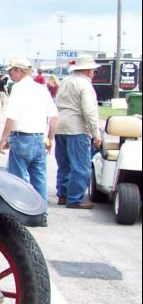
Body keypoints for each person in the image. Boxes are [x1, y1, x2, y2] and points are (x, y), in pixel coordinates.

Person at [0, 56, 59, 226]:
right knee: (39, 177)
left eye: (11, 71)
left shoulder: (18, 89)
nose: (10, 75)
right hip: (39, 138)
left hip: (22, 138)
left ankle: (21, 215)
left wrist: (4, 138)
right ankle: (42, 215)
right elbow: (54, 117)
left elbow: (12, 116)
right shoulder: (41, 89)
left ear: (19, 71)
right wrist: (50, 138)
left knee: (17, 180)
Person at [54, 54, 101, 210]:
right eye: (94, 71)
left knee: (64, 164)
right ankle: (75, 199)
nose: (94, 74)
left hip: (60, 125)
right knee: (80, 165)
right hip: (77, 127)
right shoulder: (85, 85)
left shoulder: (65, 81)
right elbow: (89, 111)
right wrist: (96, 134)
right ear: (88, 71)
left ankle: (63, 194)